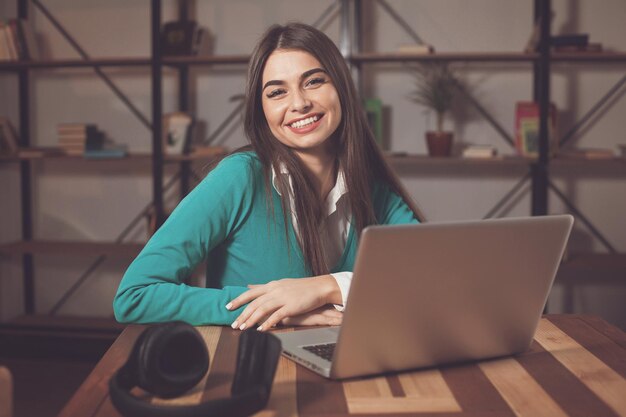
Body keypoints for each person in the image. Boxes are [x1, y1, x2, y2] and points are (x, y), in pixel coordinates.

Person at [113, 22, 422, 331]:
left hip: (347, 363)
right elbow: (135, 296)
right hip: (253, 369)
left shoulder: (372, 190)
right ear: (261, 111)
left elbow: (434, 278)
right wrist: (275, 308)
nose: (299, 103)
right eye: (277, 92)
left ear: (341, 88)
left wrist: (326, 287)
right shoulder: (239, 178)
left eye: (313, 81)